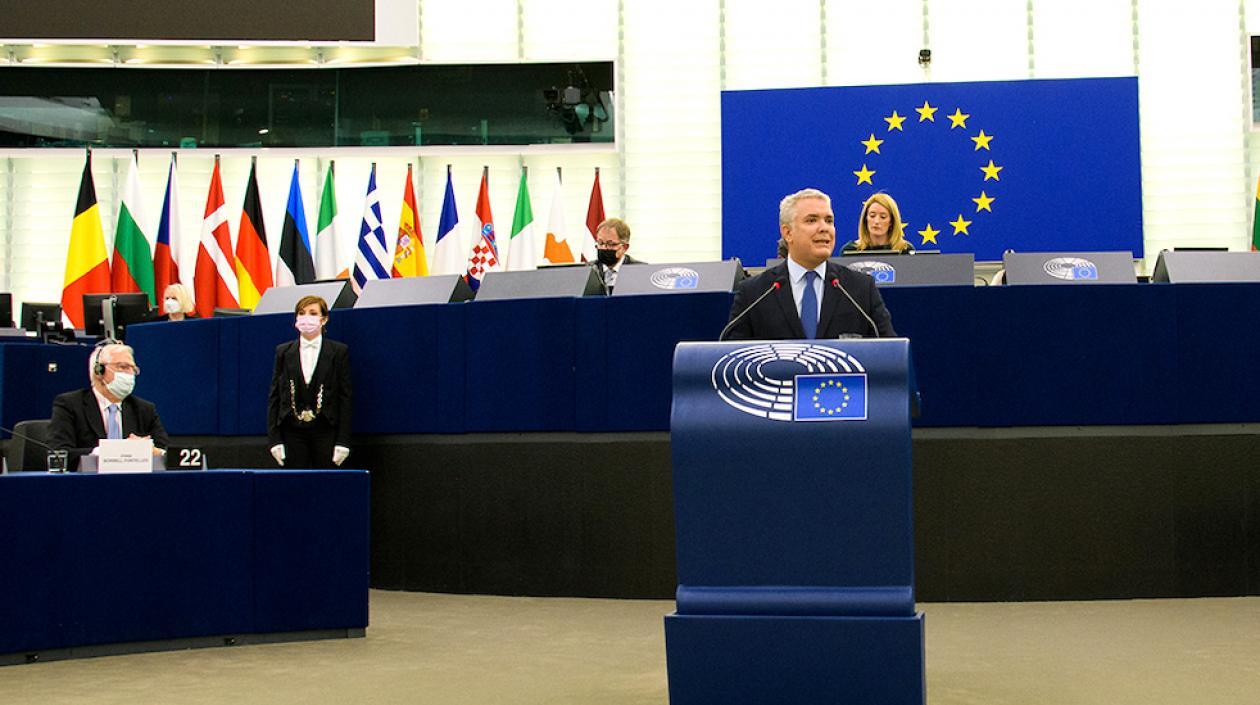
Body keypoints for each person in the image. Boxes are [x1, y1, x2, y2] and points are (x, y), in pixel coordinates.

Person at [724, 188, 896, 340]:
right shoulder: (754, 293)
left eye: (829, 221)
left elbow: (890, 356)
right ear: (788, 233)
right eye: (812, 220)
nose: (824, 228)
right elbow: (730, 362)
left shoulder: (860, 289)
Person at [48, 342, 169, 470]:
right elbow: (60, 453)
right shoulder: (70, 404)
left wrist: (153, 452)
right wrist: (112, 452)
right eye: (123, 367)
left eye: (133, 369)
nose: (130, 374)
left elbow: (167, 453)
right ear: (98, 371)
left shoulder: (144, 409)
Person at [267, 295, 352, 469]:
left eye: (313, 313)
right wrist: (274, 439)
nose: (306, 318)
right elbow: (274, 396)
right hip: (292, 431)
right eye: (302, 313)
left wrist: (343, 441)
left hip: (326, 431)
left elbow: (345, 397)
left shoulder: (338, 351)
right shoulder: (283, 351)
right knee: (295, 486)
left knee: (326, 484)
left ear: (324, 319)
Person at [840, 192, 915, 254]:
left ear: (891, 222)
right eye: (872, 216)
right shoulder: (850, 251)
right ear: (865, 219)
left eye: (883, 217)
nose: (876, 221)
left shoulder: (905, 250)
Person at [593, 218, 644, 292]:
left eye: (610, 244)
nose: (604, 248)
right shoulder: (588, 270)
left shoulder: (641, 272)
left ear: (625, 247)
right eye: (600, 243)